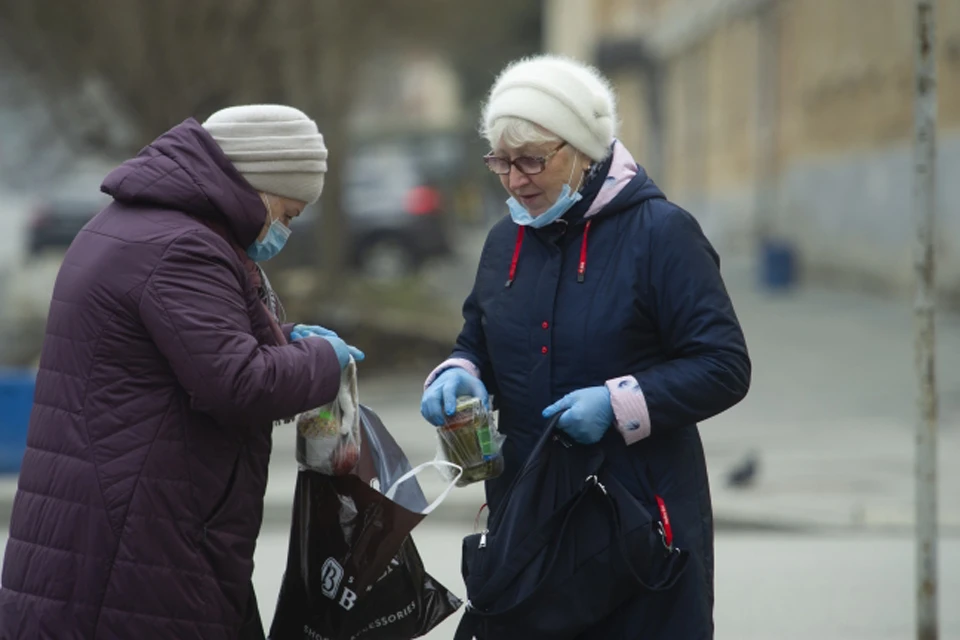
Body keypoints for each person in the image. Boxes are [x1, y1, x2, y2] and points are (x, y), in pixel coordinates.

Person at [0, 105, 363, 639]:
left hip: (109, 530)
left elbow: (182, 351)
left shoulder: (135, 226)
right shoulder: (183, 248)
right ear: (257, 185)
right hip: (136, 545)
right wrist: (323, 362)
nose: (283, 230)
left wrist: (285, 343)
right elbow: (238, 382)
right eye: (288, 213)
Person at [420, 56, 751, 638]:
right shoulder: (505, 240)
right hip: (529, 518)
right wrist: (460, 371)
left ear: (582, 150)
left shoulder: (661, 233)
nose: (516, 179)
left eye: (532, 160)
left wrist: (618, 403)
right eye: (501, 161)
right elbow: (478, 336)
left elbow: (724, 364)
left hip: (642, 528)